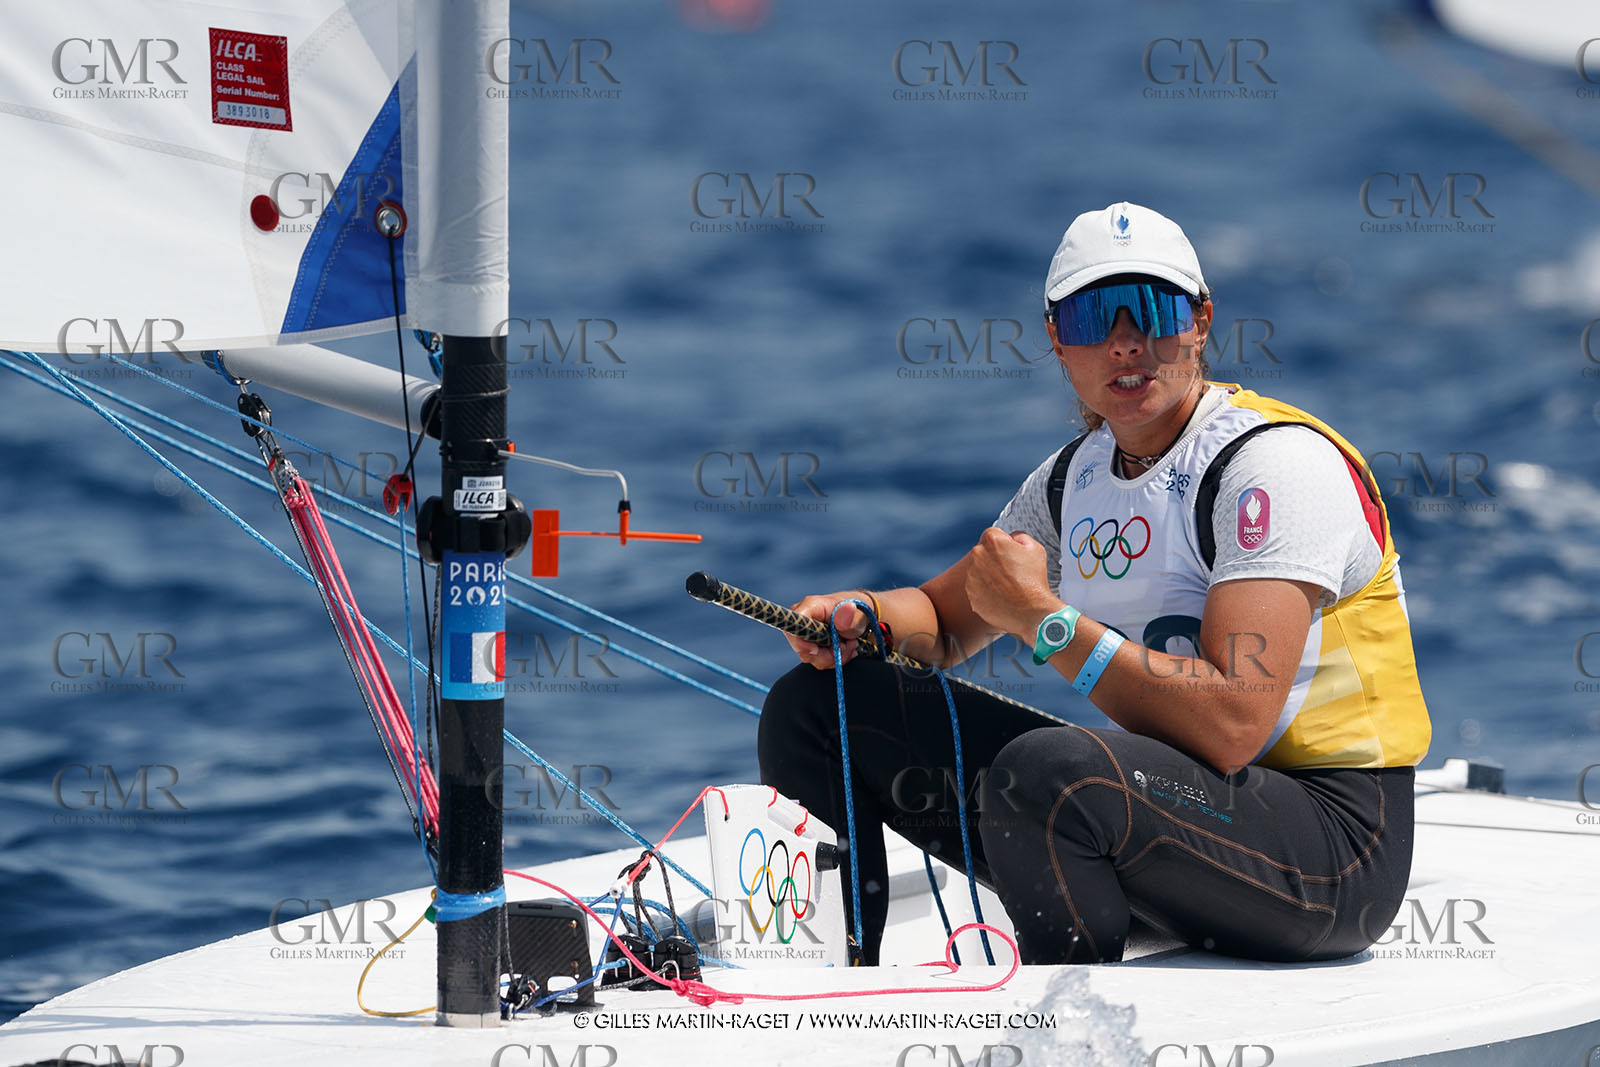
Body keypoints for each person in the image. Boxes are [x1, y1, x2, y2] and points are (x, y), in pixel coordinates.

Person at [758, 202, 1431, 966]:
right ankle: (837, 983)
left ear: (1201, 321)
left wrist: (1045, 621)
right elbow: (945, 624)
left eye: (1150, 309)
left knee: (1048, 773)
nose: (1125, 343)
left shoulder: (1274, 467)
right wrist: (863, 616)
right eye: (1090, 319)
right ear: (1057, 341)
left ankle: (1066, 1030)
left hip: (1335, 853)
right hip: (1185, 817)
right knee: (818, 707)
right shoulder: (1070, 482)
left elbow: (1234, 726)